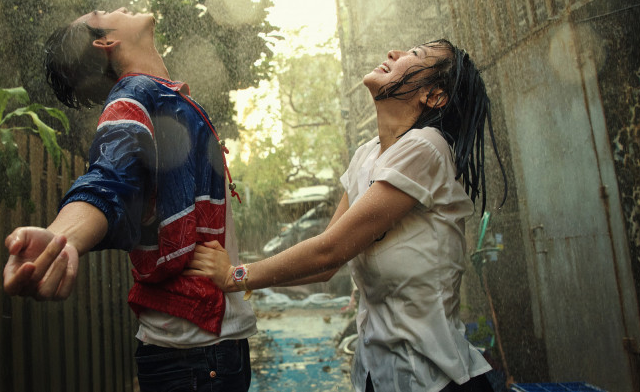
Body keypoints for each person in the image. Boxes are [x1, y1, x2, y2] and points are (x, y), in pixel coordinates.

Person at [186, 39, 507, 392]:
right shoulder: (366, 156)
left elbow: (329, 251)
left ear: (433, 96)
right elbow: (326, 264)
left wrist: (235, 275)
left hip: (434, 380)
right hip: (376, 377)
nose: (394, 52)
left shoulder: (427, 147)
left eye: (414, 55)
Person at [2, 7, 257, 391]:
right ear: (106, 41)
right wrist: (61, 238)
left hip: (209, 346)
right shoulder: (134, 98)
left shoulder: (160, 98)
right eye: (102, 12)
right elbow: (109, 179)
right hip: (195, 356)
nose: (118, 7)